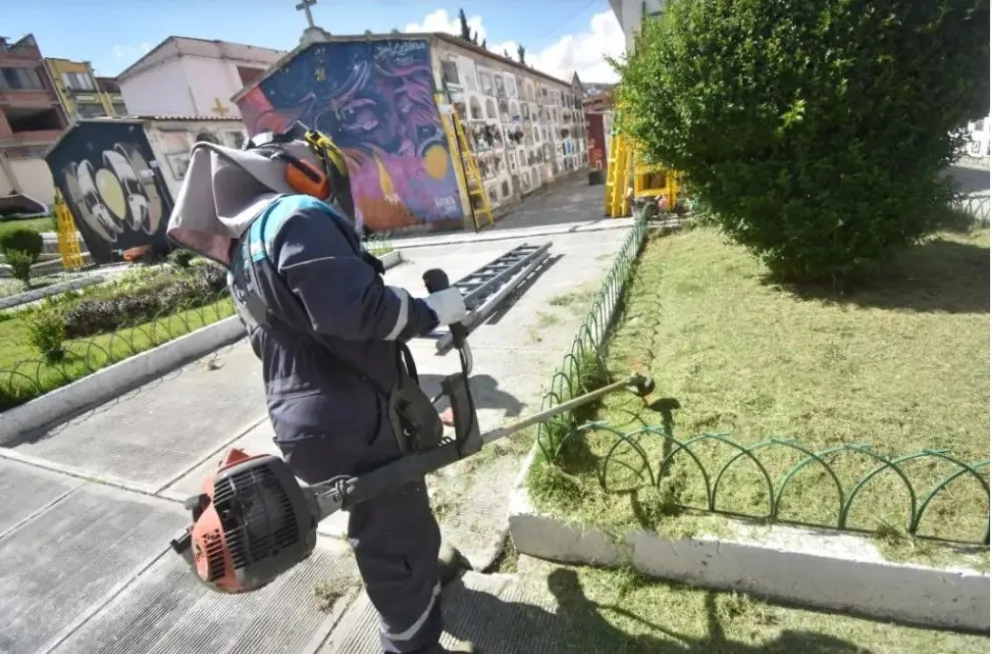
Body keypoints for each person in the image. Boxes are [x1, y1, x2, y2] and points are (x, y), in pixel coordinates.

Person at [165, 122, 477, 654]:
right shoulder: (297, 216)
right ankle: (410, 641)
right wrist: (429, 312)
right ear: (299, 170)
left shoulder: (246, 249)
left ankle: (422, 578)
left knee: (394, 513)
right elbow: (355, 311)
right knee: (392, 534)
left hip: (311, 417)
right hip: (355, 415)